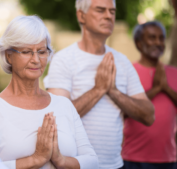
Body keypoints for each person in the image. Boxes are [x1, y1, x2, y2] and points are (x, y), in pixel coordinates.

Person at [0, 15, 98, 169]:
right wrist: (36, 159)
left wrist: (60, 160)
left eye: (42, 51)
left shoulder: (64, 105)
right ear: (9, 56)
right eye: (26, 52)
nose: (36, 60)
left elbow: (92, 161)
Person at [43, 0, 155, 168]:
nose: (108, 16)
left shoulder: (123, 62)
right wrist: (98, 89)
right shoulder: (63, 60)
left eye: (112, 11)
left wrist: (114, 92)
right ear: (81, 15)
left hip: (115, 165)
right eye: (100, 10)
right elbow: (56, 117)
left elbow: (149, 115)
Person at [121, 21, 177, 169]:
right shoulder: (128, 72)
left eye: (161, 38)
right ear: (139, 43)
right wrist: (156, 88)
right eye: (152, 37)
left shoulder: (174, 73)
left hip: (169, 159)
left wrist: (166, 88)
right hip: (133, 159)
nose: (158, 42)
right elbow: (123, 111)